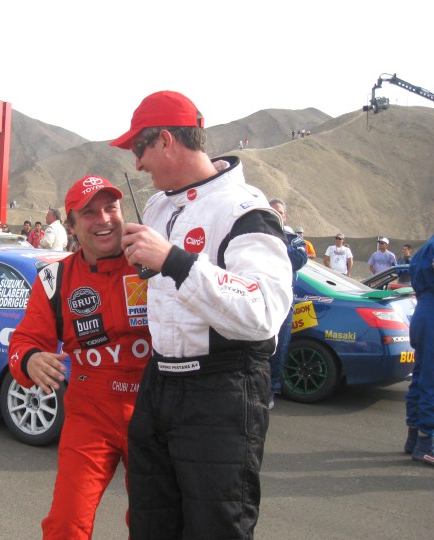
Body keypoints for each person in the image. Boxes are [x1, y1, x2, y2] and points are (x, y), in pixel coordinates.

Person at [112, 91, 292, 538]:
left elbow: (264, 311)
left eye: (139, 148)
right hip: (159, 382)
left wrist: (175, 261)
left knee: (216, 527)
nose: (137, 164)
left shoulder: (245, 209)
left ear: (166, 141)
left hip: (222, 388)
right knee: (150, 524)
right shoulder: (157, 206)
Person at [8, 175, 150, 538]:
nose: (104, 219)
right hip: (90, 413)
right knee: (66, 524)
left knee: (154, 526)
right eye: (89, 213)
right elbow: (23, 341)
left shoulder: (152, 260)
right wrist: (30, 359)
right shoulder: (55, 278)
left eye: (110, 208)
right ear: (71, 226)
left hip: (154, 411)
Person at [268, 200, 308, 409]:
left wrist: (278, 240)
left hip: (283, 303)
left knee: (279, 348)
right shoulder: (255, 233)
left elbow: (299, 261)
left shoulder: (293, 239)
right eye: (272, 211)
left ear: (284, 217)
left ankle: (271, 390)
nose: (276, 215)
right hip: (258, 298)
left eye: (279, 213)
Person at [403, 233, 434, 466]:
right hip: (430, 311)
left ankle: (414, 438)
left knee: (422, 373)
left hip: (424, 310)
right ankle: (427, 442)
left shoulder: (427, 246)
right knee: (430, 378)